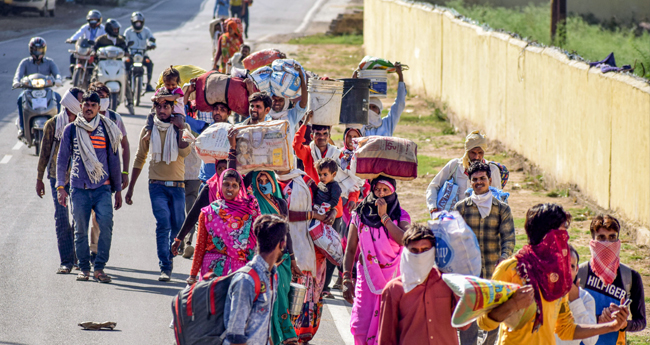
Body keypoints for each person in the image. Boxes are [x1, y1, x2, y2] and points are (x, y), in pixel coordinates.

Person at [477, 203, 629, 345]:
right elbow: (484, 322)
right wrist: (513, 305)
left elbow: (566, 329)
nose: (565, 240)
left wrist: (612, 326)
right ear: (545, 235)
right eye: (561, 234)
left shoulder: (557, 275)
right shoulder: (510, 269)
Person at [56, 91, 123, 283]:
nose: (89, 108)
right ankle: (84, 268)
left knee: (107, 226)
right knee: (80, 230)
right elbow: (62, 160)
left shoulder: (107, 128)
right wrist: (61, 186)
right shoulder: (71, 130)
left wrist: (118, 190)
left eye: (93, 105)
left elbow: (114, 160)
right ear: (81, 106)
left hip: (103, 188)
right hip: (78, 188)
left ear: (99, 107)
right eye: (86, 104)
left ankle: (99, 267)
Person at [126, 90, 191, 281]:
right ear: (154, 108)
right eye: (158, 106)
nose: (162, 110)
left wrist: (179, 129)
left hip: (178, 186)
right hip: (156, 186)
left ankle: (169, 256)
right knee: (163, 223)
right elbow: (140, 157)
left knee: (178, 225)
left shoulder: (182, 126)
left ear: (172, 108)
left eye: (166, 106)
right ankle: (165, 266)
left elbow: (185, 153)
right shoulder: (148, 130)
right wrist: (130, 188)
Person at [342, 176, 411, 345]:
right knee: (360, 326)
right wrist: (346, 278)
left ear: (393, 192)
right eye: (377, 190)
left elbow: (405, 239)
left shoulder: (401, 215)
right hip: (366, 280)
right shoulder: (359, 214)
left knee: (387, 328)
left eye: (385, 190)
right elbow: (350, 249)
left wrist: (384, 217)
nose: (380, 194)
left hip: (392, 281)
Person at [453, 161, 515, 345]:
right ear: (470, 182)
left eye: (482, 179)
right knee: (469, 322)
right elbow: (454, 240)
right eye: (474, 180)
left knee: (492, 320)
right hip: (469, 276)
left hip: (493, 275)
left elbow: (509, 239)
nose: (479, 182)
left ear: (489, 180)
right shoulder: (461, 209)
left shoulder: (502, 209)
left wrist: (503, 259)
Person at [378, 224, 469, 345]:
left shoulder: (448, 282)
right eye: (414, 251)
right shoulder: (394, 289)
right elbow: (386, 339)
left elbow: (464, 325)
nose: (420, 256)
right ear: (406, 252)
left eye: (425, 250)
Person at [293, 111, 345, 299]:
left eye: (325, 134)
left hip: (334, 211)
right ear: (312, 135)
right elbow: (295, 145)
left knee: (330, 248)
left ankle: (325, 287)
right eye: (318, 134)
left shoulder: (336, 155)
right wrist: (305, 123)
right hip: (312, 210)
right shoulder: (308, 152)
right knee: (311, 246)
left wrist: (352, 198)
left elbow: (348, 176)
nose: (321, 138)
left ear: (329, 136)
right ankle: (312, 280)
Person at [275, 168, 328, 343]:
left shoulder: (304, 181)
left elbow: (325, 202)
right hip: (277, 247)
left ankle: (296, 336)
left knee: (300, 297)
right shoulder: (265, 180)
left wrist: (333, 212)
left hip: (303, 245)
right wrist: (311, 214)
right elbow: (280, 215)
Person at [35, 87, 84, 274]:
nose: (83, 105)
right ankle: (66, 261)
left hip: (80, 178)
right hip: (58, 177)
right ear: (72, 103)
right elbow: (44, 153)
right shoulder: (53, 124)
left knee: (79, 217)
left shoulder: (85, 124)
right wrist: (39, 179)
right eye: (80, 101)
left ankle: (79, 258)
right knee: (62, 217)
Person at [578, 215, 646, 345]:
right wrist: (597, 321)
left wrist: (623, 324)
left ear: (618, 240)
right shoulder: (579, 273)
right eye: (601, 238)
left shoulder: (630, 277)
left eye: (612, 237)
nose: (607, 243)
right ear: (592, 241)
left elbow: (641, 322)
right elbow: (564, 318)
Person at [186, 169, 260, 283]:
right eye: (226, 184)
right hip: (212, 270)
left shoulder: (249, 210)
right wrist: (192, 275)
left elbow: (258, 242)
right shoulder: (209, 212)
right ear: (220, 185)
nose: (230, 188)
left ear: (240, 188)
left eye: (234, 185)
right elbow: (200, 245)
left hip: (239, 270)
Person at [223, 215, 287, 345]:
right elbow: (235, 336)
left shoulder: (273, 275)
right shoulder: (246, 280)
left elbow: (264, 323)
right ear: (282, 244)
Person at [87, 82, 131, 264]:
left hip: (106, 179)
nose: (103, 99)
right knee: (81, 218)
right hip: (84, 178)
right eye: (99, 96)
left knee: (99, 217)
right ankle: (82, 251)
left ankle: (95, 252)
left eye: (105, 96)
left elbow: (125, 146)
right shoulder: (84, 119)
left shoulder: (115, 119)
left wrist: (125, 172)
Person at [425, 130, 502, 213]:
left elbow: (498, 198)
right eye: (473, 153)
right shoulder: (455, 166)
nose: (476, 157)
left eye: (480, 153)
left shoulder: (492, 170)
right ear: (467, 151)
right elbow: (433, 186)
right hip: (455, 219)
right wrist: (433, 207)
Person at [13, 37, 63, 139]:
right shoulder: (25, 62)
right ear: (31, 50)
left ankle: (58, 127)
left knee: (58, 97)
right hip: (29, 91)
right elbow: (18, 75)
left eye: (39, 49)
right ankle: (22, 128)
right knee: (19, 99)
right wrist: (16, 82)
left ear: (44, 50)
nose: (37, 52)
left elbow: (57, 74)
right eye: (35, 49)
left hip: (46, 90)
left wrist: (58, 80)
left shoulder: (50, 62)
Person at [556, 245, 599, 345]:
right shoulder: (542, 294)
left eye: (572, 266)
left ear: (577, 270)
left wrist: (575, 301)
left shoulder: (585, 298)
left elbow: (591, 341)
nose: (567, 271)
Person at [354, 62, 405, 137]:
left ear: (379, 110)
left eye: (374, 107)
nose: (371, 110)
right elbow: (352, 105)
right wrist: (354, 82)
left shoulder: (387, 124)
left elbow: (400, 104)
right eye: (368, 107)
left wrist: (400, 76)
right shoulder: (360, 126)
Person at [265, 63, 308, 144]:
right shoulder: (266, 116)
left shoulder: (291, 115)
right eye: (274, 100)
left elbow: (304, 102)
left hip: (287, 156)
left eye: (280, 100)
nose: (277, 103)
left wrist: (301, 76)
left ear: (286, 102)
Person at [66, 10, 105, 77]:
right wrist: (71, 39)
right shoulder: (85, 27)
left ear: (99, 20)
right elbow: (78, 33)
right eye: (91, 19)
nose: (93, 21)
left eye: (95, 20)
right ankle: (73, 73)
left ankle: (95, 74)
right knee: (73, 56)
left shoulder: (102, 28)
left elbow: (104, 37)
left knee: (98, 59)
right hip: (85, 47)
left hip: (95, 48)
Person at [123, 11, 156, 92]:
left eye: (140, 23)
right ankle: (125, 83)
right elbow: (123, 41)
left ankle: (148, 84)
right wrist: (125, 48)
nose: (138, 25)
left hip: (142, 54)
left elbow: (151, 38)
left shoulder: (146, 30)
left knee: (149, 63)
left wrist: (151, 44)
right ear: (132, 22)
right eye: (136, 23)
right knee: (125, 64)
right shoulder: (128, 31)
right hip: (131, 55)